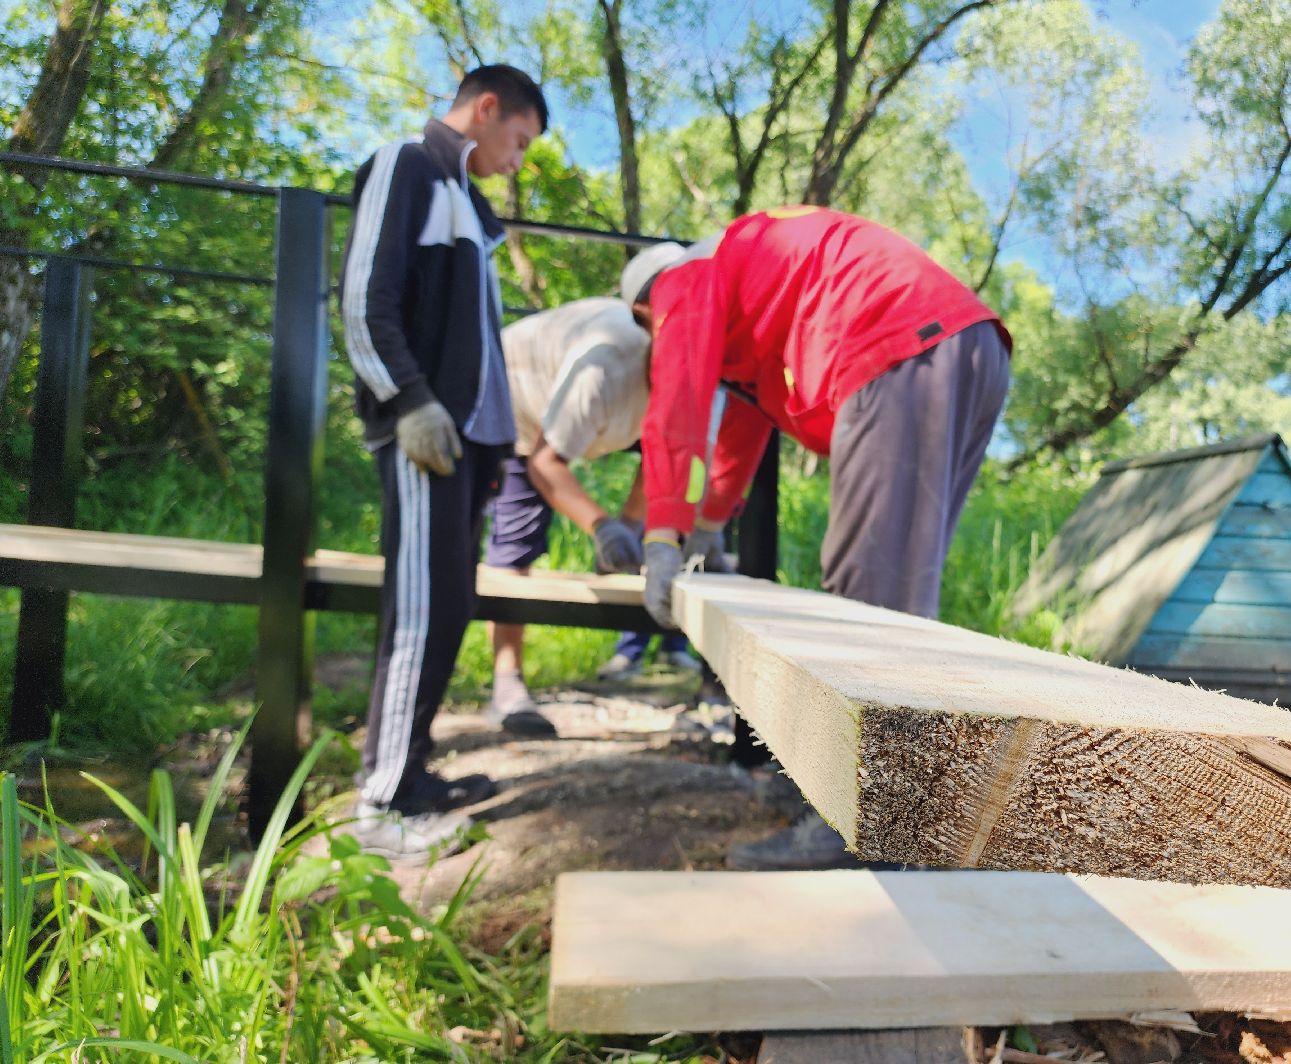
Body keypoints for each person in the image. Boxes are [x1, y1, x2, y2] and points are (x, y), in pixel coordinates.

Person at [623, 206, 1013, 869]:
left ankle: (855, 826)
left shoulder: (684, 278)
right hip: (966, 345)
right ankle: (892, 810)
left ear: (646, 304)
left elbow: (678, 400)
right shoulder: (750, 293)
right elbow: (739, 436)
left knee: (868, 600)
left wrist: (661, 533)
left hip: (897, 341)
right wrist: (708, 532)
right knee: (898, 594)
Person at [339, 64, 548, 863]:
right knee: (420, 612)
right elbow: (363, 297)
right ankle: (382, 802)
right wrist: (408, 401)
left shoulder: (474, 210)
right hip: (425, 431)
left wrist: (494, 447)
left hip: (467, 446)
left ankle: (414, 773)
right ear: (486, 108)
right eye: (519, 140)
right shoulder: (410, 165)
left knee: (452, 608)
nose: (518, 159)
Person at [482, 295, 697, 732]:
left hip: (573, 410)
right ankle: (507, 685)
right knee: (515, 544)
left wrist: (633, 525)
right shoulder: (603, 368)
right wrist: (601, 527)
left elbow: (662, 459)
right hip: (514, 405)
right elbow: (545, 462)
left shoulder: (695, 384)